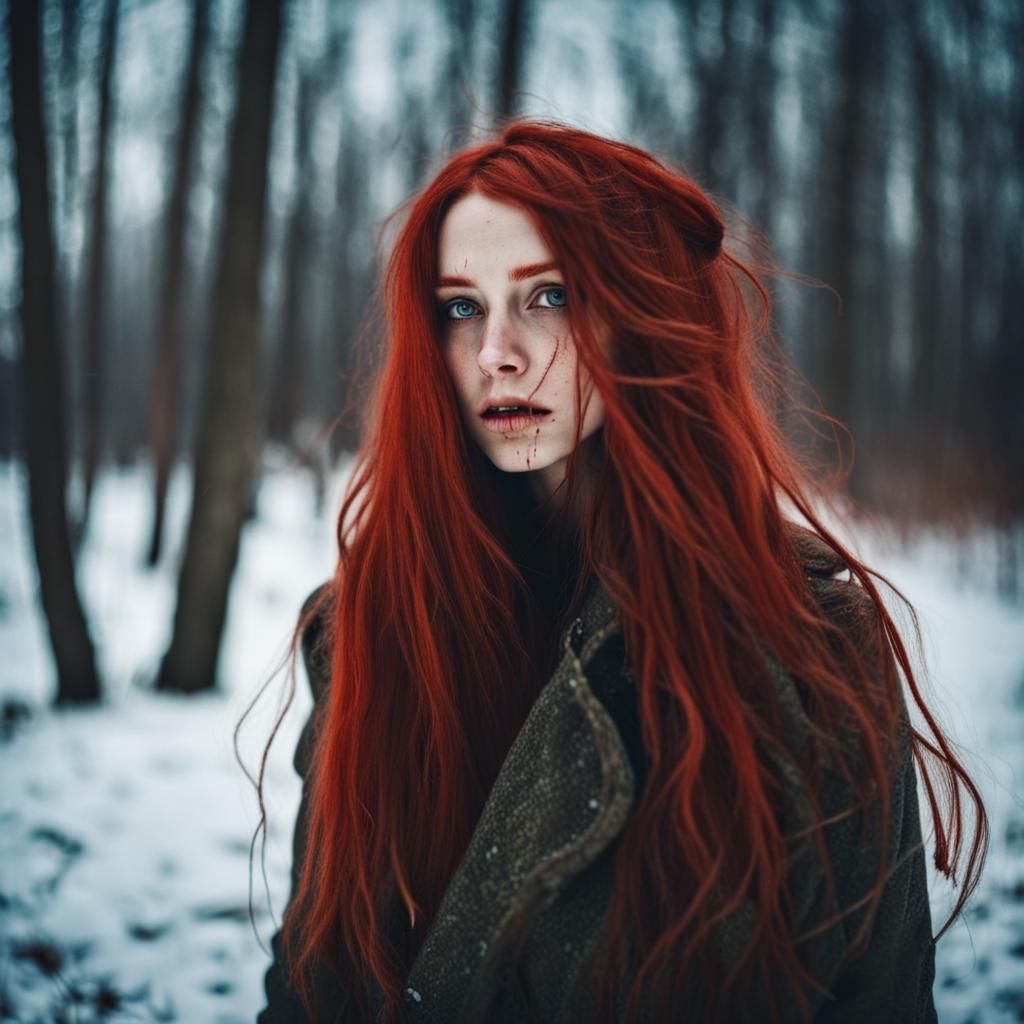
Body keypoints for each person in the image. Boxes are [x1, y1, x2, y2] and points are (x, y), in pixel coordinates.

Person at [254, 120, 987, 1023]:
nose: (497, 355)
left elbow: (877, 1001)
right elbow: (310, 984)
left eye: (548, 295)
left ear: (640, 314)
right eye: (462, 307)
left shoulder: (806, 646)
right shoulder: (373, 623)